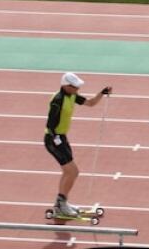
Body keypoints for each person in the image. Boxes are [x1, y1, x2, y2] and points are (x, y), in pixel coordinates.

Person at [45, 72, 112, 217]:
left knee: (68, 172)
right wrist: (56, 139)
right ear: (66, 86)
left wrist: (102, 93)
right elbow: (50, 124)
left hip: (61, 137)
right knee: (73, 172)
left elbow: (90, 103)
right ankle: (61, 205)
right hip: (53, 139)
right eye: (75, 87)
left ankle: (61, 203)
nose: (77, 89)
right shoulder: (58, 100)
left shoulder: (72, 96)